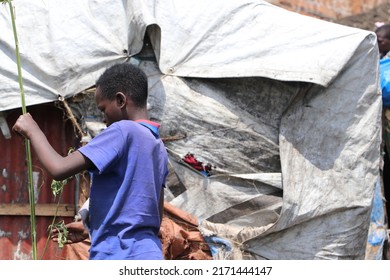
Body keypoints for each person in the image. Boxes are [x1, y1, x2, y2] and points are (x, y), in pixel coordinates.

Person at [13, 63, 169, 260]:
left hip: (117, 255)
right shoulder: (158, 146)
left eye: (103, 109)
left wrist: (32, 129)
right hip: (149, 255)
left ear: (120, 100)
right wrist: (93, 227)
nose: (104, 118)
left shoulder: (123, 130)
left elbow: (59, 168)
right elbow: (151, 213)